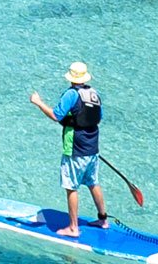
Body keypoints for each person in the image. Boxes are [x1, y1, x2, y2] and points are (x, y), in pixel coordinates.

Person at [29, 62, 107, 237]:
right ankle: (103, 219)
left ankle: (73, 227)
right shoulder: (94, 93)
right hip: (92, 146)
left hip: (75, 147)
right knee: (93, 182)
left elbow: (56, 115)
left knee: (71, 186)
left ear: (71, 78)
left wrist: (38, 102)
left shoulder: (70, 94)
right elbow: (98, 117)